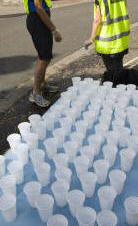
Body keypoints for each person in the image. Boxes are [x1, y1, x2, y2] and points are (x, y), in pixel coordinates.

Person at [23, 0, 62, 107]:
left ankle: (42, 84)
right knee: (44, 58)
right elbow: (38, 7)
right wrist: (54, 30)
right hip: (37, 20)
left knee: (45, 56)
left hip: (39, 20)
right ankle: (35, 93)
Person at [85, 0, 130, 87]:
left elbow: (97, 20)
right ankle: (120, 88)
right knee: (118, 68)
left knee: (111, 70)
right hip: (120, 39)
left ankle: (115, 89)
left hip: (107, 41)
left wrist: (91, 39)